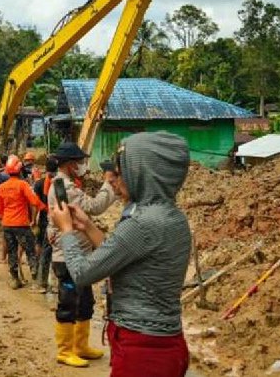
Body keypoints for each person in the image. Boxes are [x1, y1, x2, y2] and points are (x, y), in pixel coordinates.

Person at [50, 132, 191, 377]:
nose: (114, 180)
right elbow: (121, 254)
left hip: (142, 350)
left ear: (142, 174)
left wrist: (67, 230)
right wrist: (88, 227)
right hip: (163, 341)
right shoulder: (171, 217)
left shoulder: (142, 223)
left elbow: (83, 273)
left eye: (120, 172)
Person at [46, 141, 115, 368]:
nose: (82, 165)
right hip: (68, 256)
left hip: (78, 254)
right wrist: (108, 183)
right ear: (70, 164)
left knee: (85, 301)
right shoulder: (65, 188)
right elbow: (95, 206)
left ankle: (80, 345)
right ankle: (65, 350)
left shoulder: (64, 184)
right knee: (68, 303)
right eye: (79, 162)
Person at [0, 155, 47, 289]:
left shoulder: (1, 187)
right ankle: (36, 279)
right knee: (31, 251)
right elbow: (35, 201)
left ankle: (15, 279)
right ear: (19, 170)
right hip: (22, 224)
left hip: (7, 224)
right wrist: (47, 209)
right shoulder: (23, 185)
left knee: (12, 252)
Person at [32, 157, 58, 292]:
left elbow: (35, 204)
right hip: (59, 220)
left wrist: (33, 219)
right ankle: (55, 283)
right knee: (58, 250)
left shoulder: (39, 183)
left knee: (43, 248)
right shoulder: (60, 183)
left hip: (44, 219)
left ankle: (41, 280)